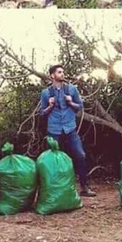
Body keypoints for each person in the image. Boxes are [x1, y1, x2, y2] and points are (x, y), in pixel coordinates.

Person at [38, 64, 96, 196]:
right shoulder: (46, 93)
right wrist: (50, 106)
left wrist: (70, 103)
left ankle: (84, 187)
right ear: (52, 76)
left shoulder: (72, 89)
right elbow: (42, 113)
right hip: (54, 130)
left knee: (80, 155)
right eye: (59, 72)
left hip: (70, 128)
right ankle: (54, 190)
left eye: (63, 72)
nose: (62, 74)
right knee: (53, 161)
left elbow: (79, 107)